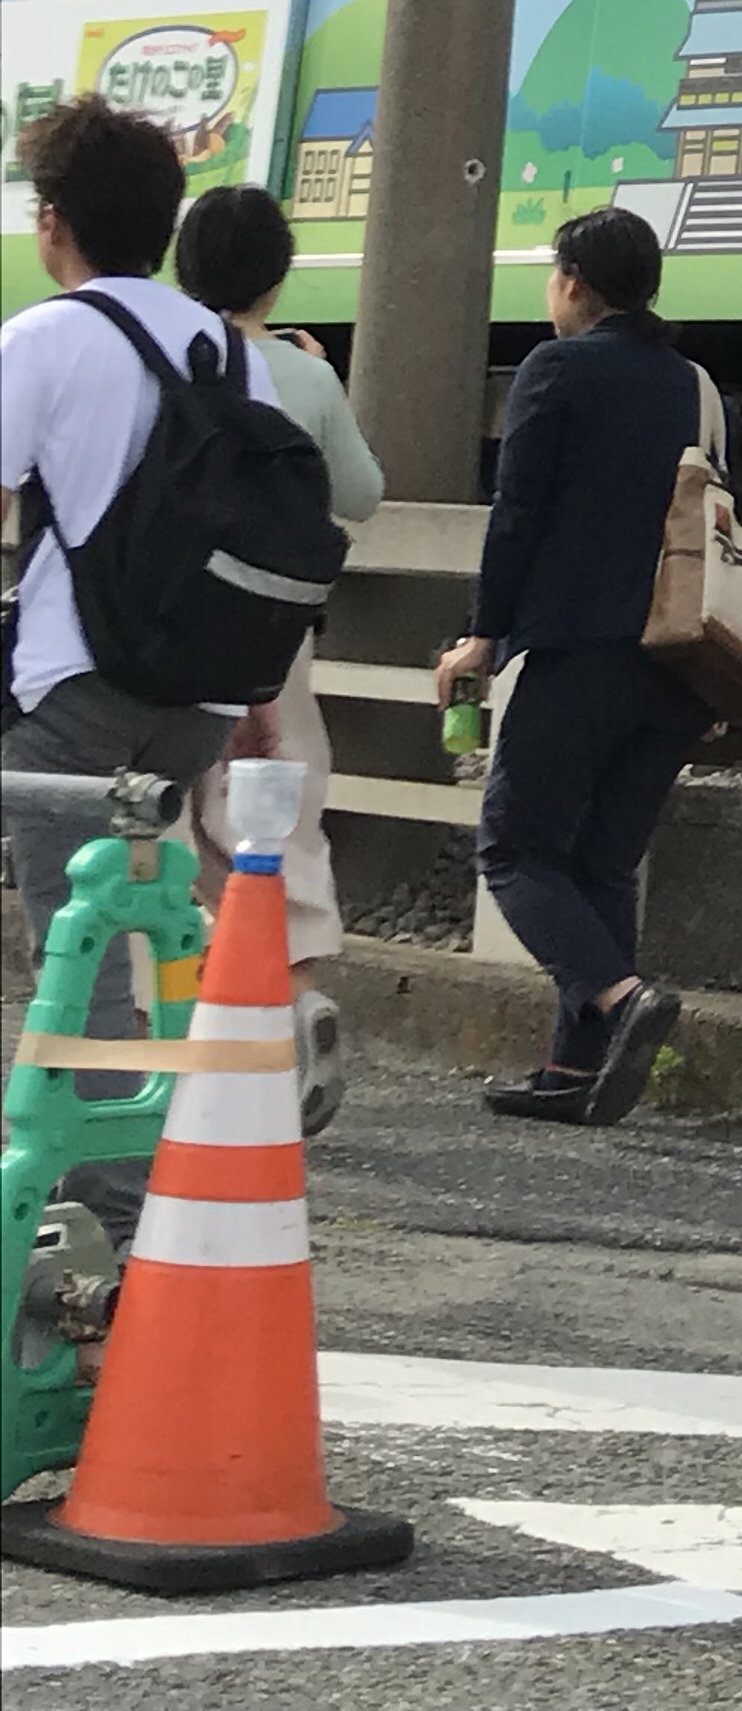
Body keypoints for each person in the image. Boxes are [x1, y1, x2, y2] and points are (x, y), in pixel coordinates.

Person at [0, 100, 285, 1254]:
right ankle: (179, 1160)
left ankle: (106, 1214)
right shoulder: (235, 355)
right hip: (202, 701)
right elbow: (260, 538)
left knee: (79, 949)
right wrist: (257, 701)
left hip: (79, 691)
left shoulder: (45, 338)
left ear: (52, 221)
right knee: (153, 926)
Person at [433, 205, 707, 1125]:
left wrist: (483, 634)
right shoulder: (696, 386)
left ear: (574, 283)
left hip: (582, 652)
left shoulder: (557, 369)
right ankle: (572, 1073)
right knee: (600, 866)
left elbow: (517, 514)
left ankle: (622, 1000)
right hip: (679, 663)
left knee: (513, 850)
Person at [174, 184, 383, 1136]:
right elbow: (362, 493)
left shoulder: (169, 356)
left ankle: (194, 1019)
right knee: (278, 802)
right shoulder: (304, 376)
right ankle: (297, 994)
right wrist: (320, 383)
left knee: (170, 812)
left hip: (170, 622)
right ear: (277, 277)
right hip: (273, 627)